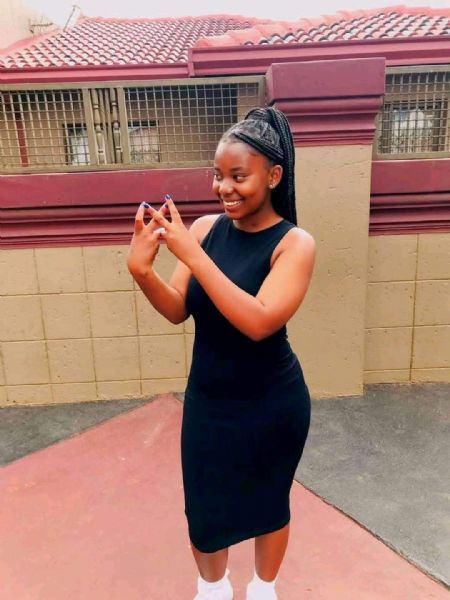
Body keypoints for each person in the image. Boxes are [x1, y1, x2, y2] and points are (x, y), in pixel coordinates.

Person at [127, 106, 316, 600]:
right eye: (217, 175)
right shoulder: (206, 229)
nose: (223, 188)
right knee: (205, 509)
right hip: (210, 403)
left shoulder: (294, 243)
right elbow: (177, 308)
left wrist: (193, 255)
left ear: (273, 176)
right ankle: (212, 590)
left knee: (269, 503)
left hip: (272, 404)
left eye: (238, 176)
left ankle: (263, 590)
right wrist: (143, 272)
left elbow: (258, 321)